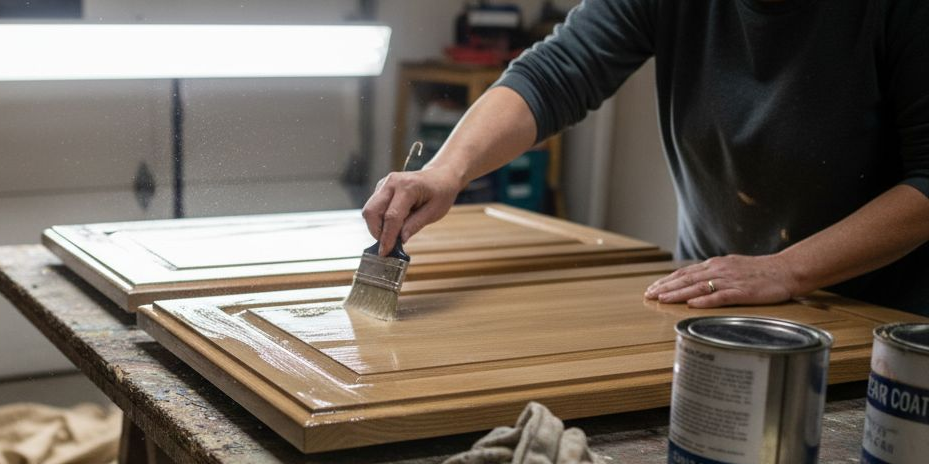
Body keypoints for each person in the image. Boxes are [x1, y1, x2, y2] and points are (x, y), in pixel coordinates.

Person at [363, 0, 929, 316]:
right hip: (708, 296)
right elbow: (556, 73)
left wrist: (786, 270)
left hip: (868, 317)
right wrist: (446, 169)